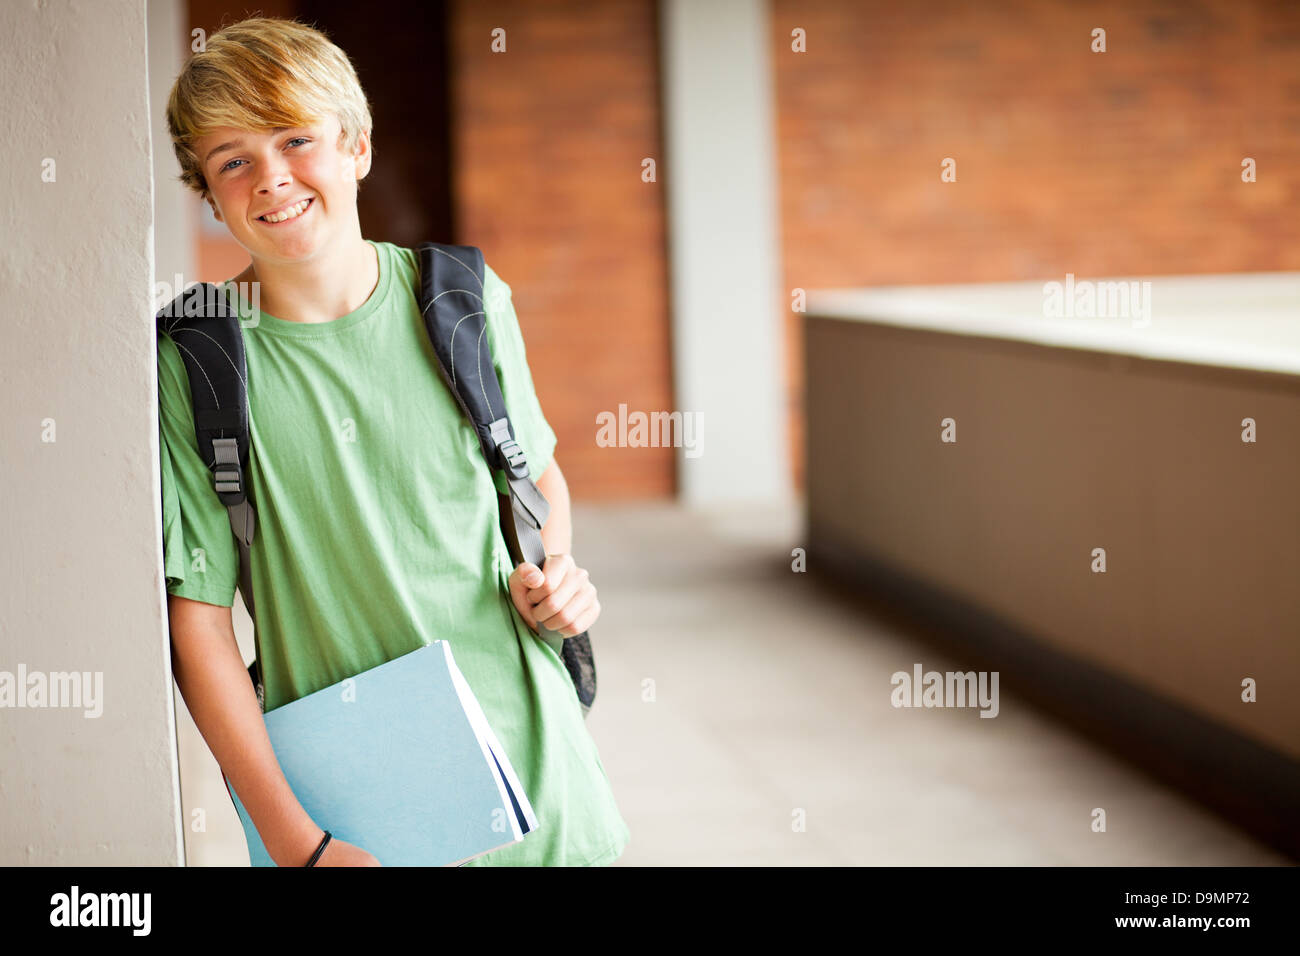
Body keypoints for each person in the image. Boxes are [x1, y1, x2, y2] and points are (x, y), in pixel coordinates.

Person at [158, 16, 629, 866]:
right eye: (234, 160)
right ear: (209, 192)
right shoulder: (196, 356)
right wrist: (296, 842)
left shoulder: (466, 301)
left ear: (357, 148)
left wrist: (558, 577)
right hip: (352, 815)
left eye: (297, 139)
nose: (272, 179)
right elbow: (197, 622)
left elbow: (536, 482)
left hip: (540, 777)